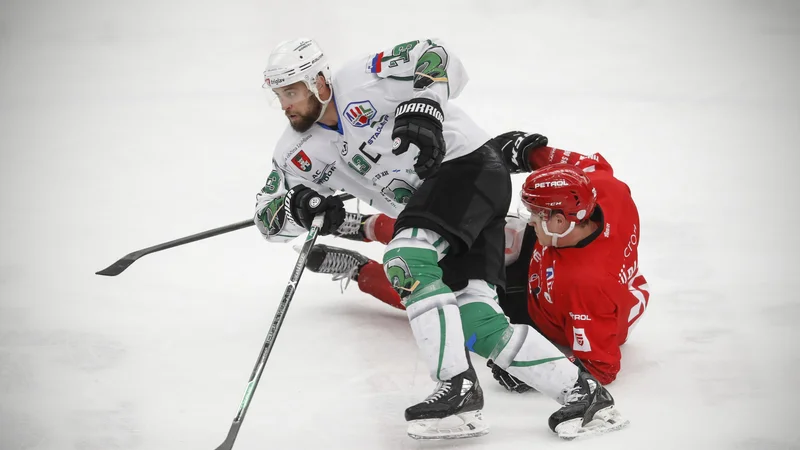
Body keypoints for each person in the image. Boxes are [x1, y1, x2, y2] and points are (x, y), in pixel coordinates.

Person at [253, 38, 626, 440]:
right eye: (279, 96)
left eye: (291, 92)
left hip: (469, 168)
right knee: (478, 321)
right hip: (442, 211)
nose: (286, 105)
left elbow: (435, 53)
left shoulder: (363, 79)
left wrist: (425, 104)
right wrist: (298, 208)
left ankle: (457, 389)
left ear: (320, 82)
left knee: (406, 257)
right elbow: (266, 219)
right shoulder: (294, 153)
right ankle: (585, 398)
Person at [306, 133, 650, 387]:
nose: (529, 218)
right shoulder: (605, 189)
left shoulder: (587, 289)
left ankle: (359, 270)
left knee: (446, 298)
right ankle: (362, 226)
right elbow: (572, 165)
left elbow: (602, 366)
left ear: (561, 219)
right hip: (552, 259)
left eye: (536, 213)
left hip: (534, 308)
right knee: (462, 227)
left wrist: (532, 373)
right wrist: (527, 152)